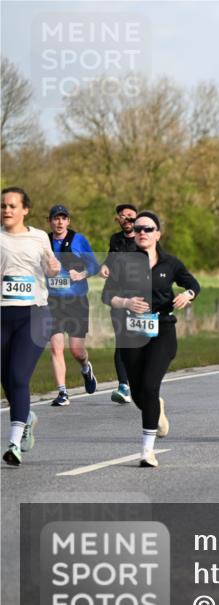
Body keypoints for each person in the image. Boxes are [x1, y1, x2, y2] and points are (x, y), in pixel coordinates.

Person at [101, 211, 200, 467]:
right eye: (138, 229)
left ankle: (147, 451)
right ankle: (156, 409)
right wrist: (125, 302)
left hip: (162, 330)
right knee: (138, 393)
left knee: (150, 385)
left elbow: (193, 285)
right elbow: (107, 295)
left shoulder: (170, 263)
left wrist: (187, 294)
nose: (142, 232)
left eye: (148, 229)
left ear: (158, 234)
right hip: (131, 332)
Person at [2, 187, 61, 465]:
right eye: (3, 206)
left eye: (12, 206)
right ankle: (26, 417)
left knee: (18, 377)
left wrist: (54, 267)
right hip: (2, 315)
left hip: (34, 315)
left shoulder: (38, 237)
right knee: (6, 380)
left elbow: (50, 268)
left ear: (25, 209)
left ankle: (13, 444)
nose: (6, 210)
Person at [45, 204, 100, 405]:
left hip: (77, 302)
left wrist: (82, 274)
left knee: (77, 351)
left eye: (63, 218)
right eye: (56, 218)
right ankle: (62, 392)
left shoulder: (79, 240)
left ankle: (86, 367)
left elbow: (94, 265)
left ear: (68, 221)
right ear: (50, 221)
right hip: (52, 302)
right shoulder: (44, 241)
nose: (59, 222)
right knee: (56, 347)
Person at [100, 203, 139, 404]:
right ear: (119, 219)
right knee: (121, 341)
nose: (127, 219)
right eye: (123, 216)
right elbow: (110, 258)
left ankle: (141, 381)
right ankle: (124, 385)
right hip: (118, 297)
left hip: (140, 298)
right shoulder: (115, 240)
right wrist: (105, 266)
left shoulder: (144, 239)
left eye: (130, 216)